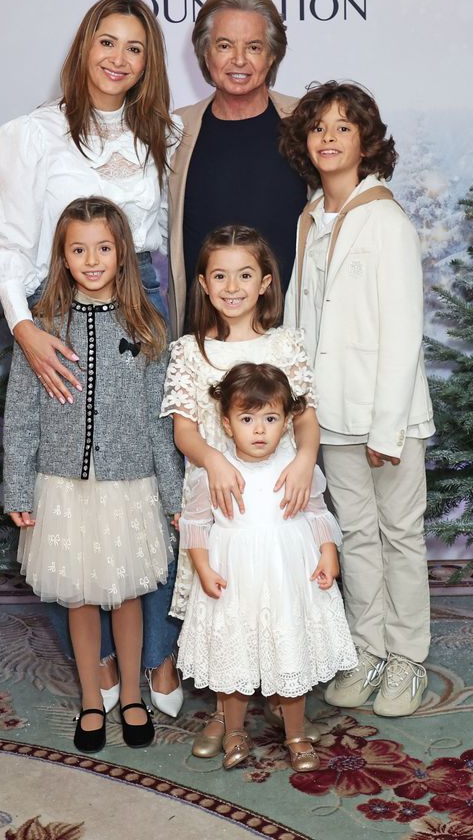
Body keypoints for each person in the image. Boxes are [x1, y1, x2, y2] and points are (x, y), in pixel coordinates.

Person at [0, 0, 183, 713]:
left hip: (144, 304)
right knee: (71, 484)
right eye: (106, 42)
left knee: (146, 478)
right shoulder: (32, 135)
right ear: (83, 48)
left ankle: (156, 659)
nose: (118, 59)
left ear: (149, 62)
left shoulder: (163, 137)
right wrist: (24, 326)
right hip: (54, 309)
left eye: (135, 47)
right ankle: (99, 669)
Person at [3, 197, 183, 752]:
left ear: (122, 252)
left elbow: (160, 421)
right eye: (78, 249)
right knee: (79, 597)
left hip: (129, 487)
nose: (91, 259)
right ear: (62, 255)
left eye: (103, 247)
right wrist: (17, 485)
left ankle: (131, 693)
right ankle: (90, 697)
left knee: (127, 594)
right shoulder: (44, 327)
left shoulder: (146, 325)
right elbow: (21, 413)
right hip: (62, 487)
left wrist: (174, 496)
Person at [282, 81, 435, 718]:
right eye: (318, 127)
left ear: (365, 141)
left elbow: (404, 333)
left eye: (343, 128)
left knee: (401, 534)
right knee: (357, 538)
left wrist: (387, 427)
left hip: (384, 419)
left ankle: (408, 660)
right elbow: (298, 314)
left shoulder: (385, 219)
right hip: (330, 415)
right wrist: (297, 406)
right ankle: (368, 649)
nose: (328, 138)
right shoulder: (311, 217)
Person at [161, 225, 323, 756]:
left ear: (265, 282)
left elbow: (306, 417)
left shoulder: (285, 343)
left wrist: (304, 460)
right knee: (223, 603)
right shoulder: (190, 351)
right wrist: (212, 461)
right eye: (221, 275)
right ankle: (223, 716)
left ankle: (282, 700)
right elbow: (186, 428)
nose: (233, 286)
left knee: (274, 594)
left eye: (245, 274)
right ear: (204, 285)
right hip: (219, 488)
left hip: (275, 490)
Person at [177, 363, 357, 771]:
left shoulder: (295, 467)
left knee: (288, 651)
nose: (259, 430)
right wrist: (203, 568)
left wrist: (328, 551)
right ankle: (235, 730)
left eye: (270, 419)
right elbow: (194, 523)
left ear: (287, 422)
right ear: (226, 424)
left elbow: (316, 513)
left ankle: (295, 732)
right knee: (235, 658)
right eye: (247, 419)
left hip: (287, 576)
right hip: (235, 579)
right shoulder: (216, 473)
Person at [167, 0, 307, 335]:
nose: (239, 60)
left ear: (272, 56)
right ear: (205, 54)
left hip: (289, 336)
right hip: (202, 342)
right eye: (225, 45)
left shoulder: (306, 122)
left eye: (254, 47)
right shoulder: (175, 130)